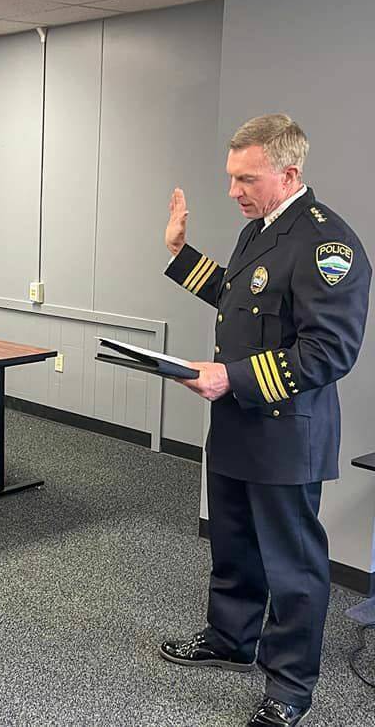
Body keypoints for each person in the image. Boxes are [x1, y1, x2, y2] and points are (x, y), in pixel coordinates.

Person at [159, 114, 371, 727]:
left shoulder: (329, 244)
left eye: (245, 179)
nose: (233, 191)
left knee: (293, 565)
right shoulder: (262, 228)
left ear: (289, 173)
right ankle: (230, 640)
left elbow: (328, 353)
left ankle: (290, 686)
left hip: (286, 429)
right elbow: (240, 296)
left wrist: (231, 378)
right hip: (237, 423)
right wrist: (180, 255)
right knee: (234, 546)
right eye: (231, 178)